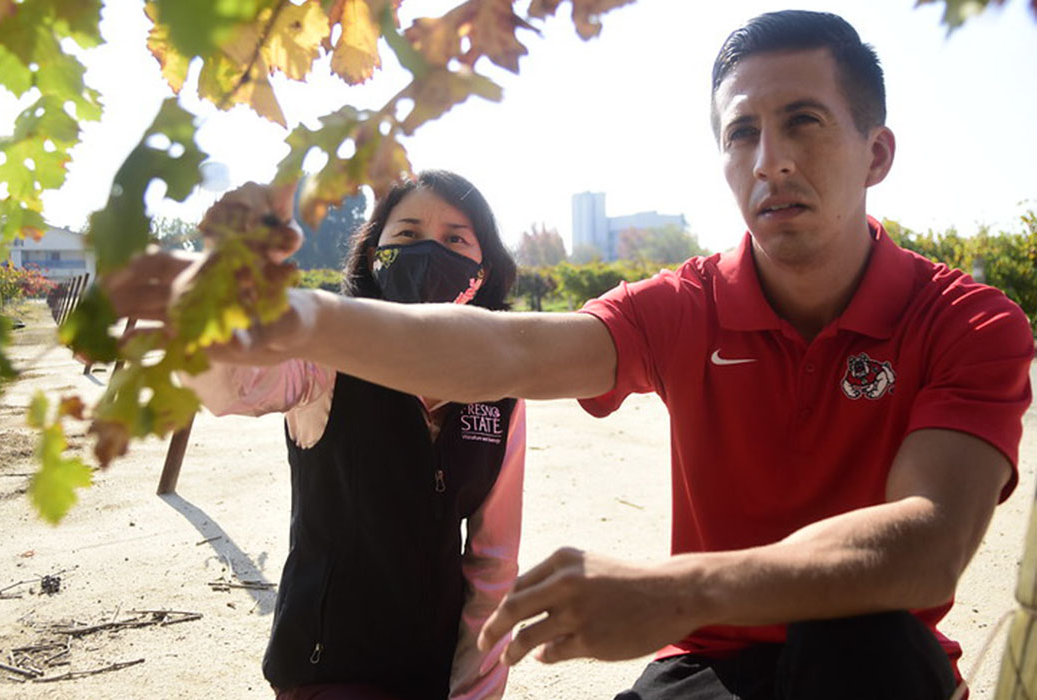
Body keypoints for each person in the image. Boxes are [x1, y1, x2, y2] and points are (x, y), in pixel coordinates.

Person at [111, 11, 1034, 700]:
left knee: (865, 650)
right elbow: (514, 347)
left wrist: (680, 589)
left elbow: (925, 545)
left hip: (871, 664)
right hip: (701, 663)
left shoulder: (968, 321)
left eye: (804, 123)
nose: (771, 161)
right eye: (742, 133)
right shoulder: (688, 304)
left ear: (877, 152)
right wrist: (289, 317)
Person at [109, 171, 524, 700]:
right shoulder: (327, 356)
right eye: (407, 235)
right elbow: (232, 387)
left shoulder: (501, 389)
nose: (428, 253)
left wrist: (475, 692)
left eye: (455, 239)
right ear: (374, 254)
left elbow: (494, 560)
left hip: (433, 668)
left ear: (482, 269)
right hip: (326, 666)